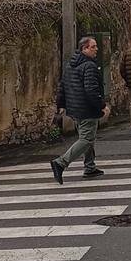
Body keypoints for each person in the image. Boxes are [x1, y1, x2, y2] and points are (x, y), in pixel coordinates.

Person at [50, 36, 109, 183]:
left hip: (74, 109)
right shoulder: (89, 66)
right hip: (86, 109)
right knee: (86, 139)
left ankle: (90, 167)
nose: (96, 49)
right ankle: (61, 162)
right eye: (93, 47)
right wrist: (102, 106)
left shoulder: (70, 65)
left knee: (88, 137)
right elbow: (91, 90)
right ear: (84, 49)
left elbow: (62, 87)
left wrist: (61, 105)